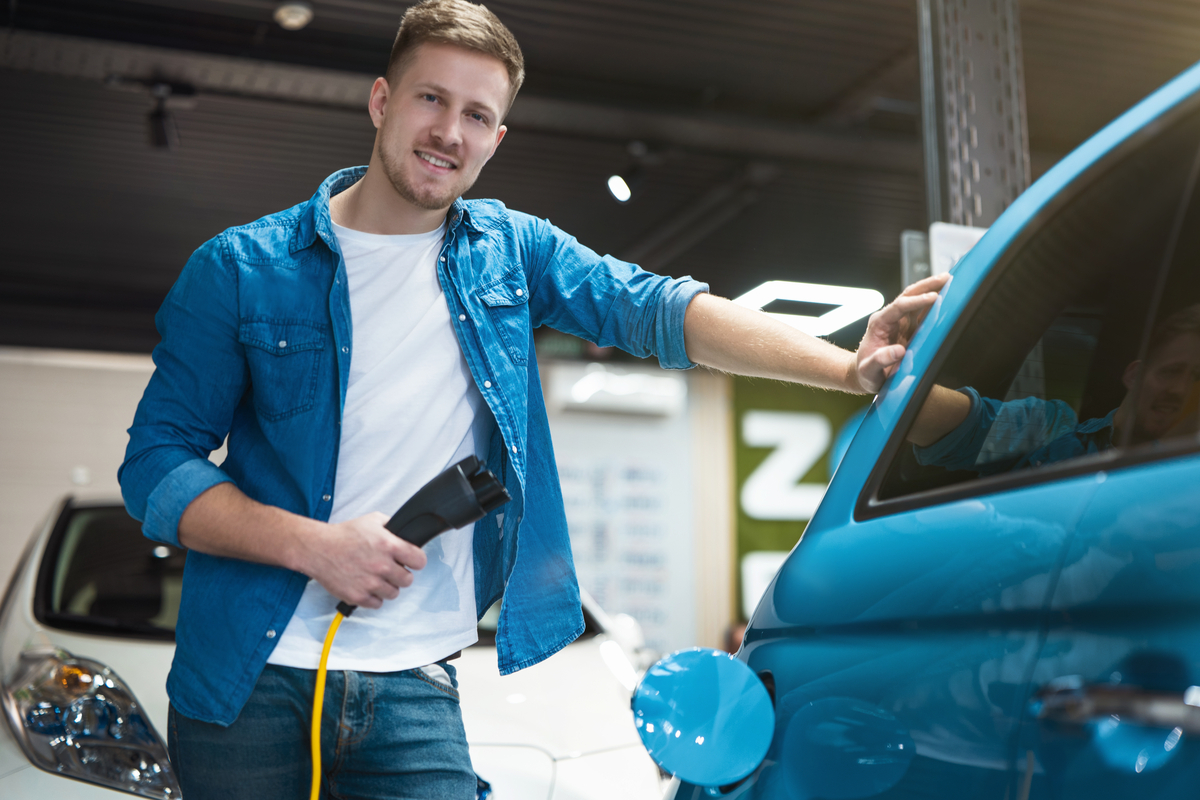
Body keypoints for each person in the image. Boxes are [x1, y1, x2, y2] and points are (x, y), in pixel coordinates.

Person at [118, 1, 948, 797]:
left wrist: (846, 369)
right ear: (382, 101)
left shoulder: (512, 254)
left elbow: (659, 308)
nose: (450, 131)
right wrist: (317, 547)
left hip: (416, 682)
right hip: (250, 681)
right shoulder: (239, 268)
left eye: (477, 115)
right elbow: (154, 465)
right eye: (431, 99)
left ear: (497, 138)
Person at [906, 304, 1200, 475]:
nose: (1180, 389)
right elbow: (966, 426)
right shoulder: (1053, 427)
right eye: (1171, 372)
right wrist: (878, 375)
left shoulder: (1184, 483)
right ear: (1134, 375)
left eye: (1197, 378)